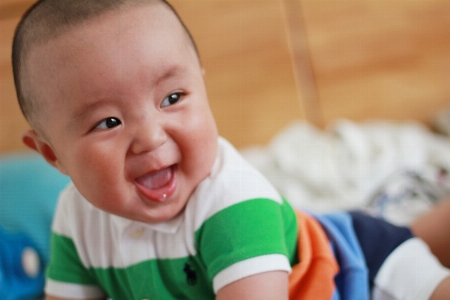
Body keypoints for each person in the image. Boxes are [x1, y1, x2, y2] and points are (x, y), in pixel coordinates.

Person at [11, 0, 450, 299]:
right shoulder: (75, 218)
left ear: (202, 84)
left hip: (360, 272)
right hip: (321, 232)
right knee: (414, 231)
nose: (151, 137)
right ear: (53, 155)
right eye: (109, 122)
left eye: (172, 98)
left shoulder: (235, 204)